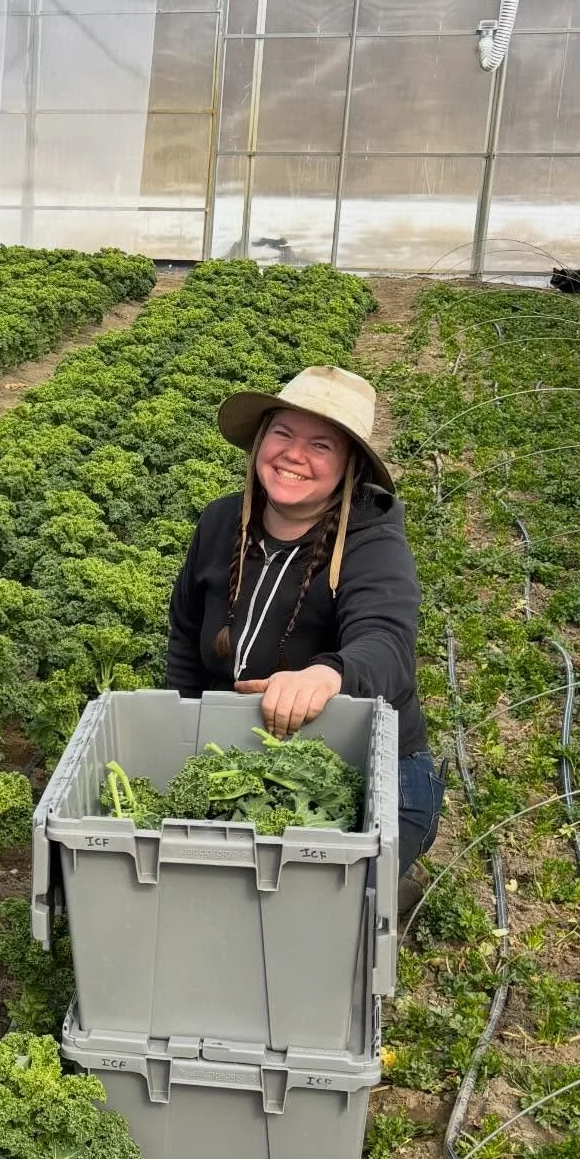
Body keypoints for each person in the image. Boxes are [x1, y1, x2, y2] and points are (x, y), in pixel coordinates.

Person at [166, 366, 445, 912]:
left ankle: (387, 889)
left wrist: (325, 674)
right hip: (240, 747)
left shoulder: (372, 538)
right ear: (259, 441)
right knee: (210, 894)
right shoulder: (221, 523)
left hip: (365, 763)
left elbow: (387, 643)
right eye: (283, 434)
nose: (295, 454)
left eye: (321, 444)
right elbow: (183, 636)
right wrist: (181, 731)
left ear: (349, 466)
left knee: (311, 903)